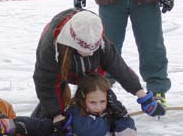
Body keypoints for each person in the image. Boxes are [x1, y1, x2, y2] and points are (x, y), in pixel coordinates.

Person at [32, 9, 165, 122]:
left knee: (99, 99)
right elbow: (45, 83)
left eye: (92, 49)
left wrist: (143, 96)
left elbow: (119, 67)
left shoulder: (97, 38)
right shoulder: (50, 47)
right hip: (59, 72)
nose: (88, 53)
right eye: (83, 49)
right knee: (50, 114)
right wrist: (56, 115)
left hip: (92, 71)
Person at [74, 0, 176, 107]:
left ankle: (157, 90)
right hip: (110, 0)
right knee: (105, 48)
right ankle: (101, 90)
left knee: (151, 45)